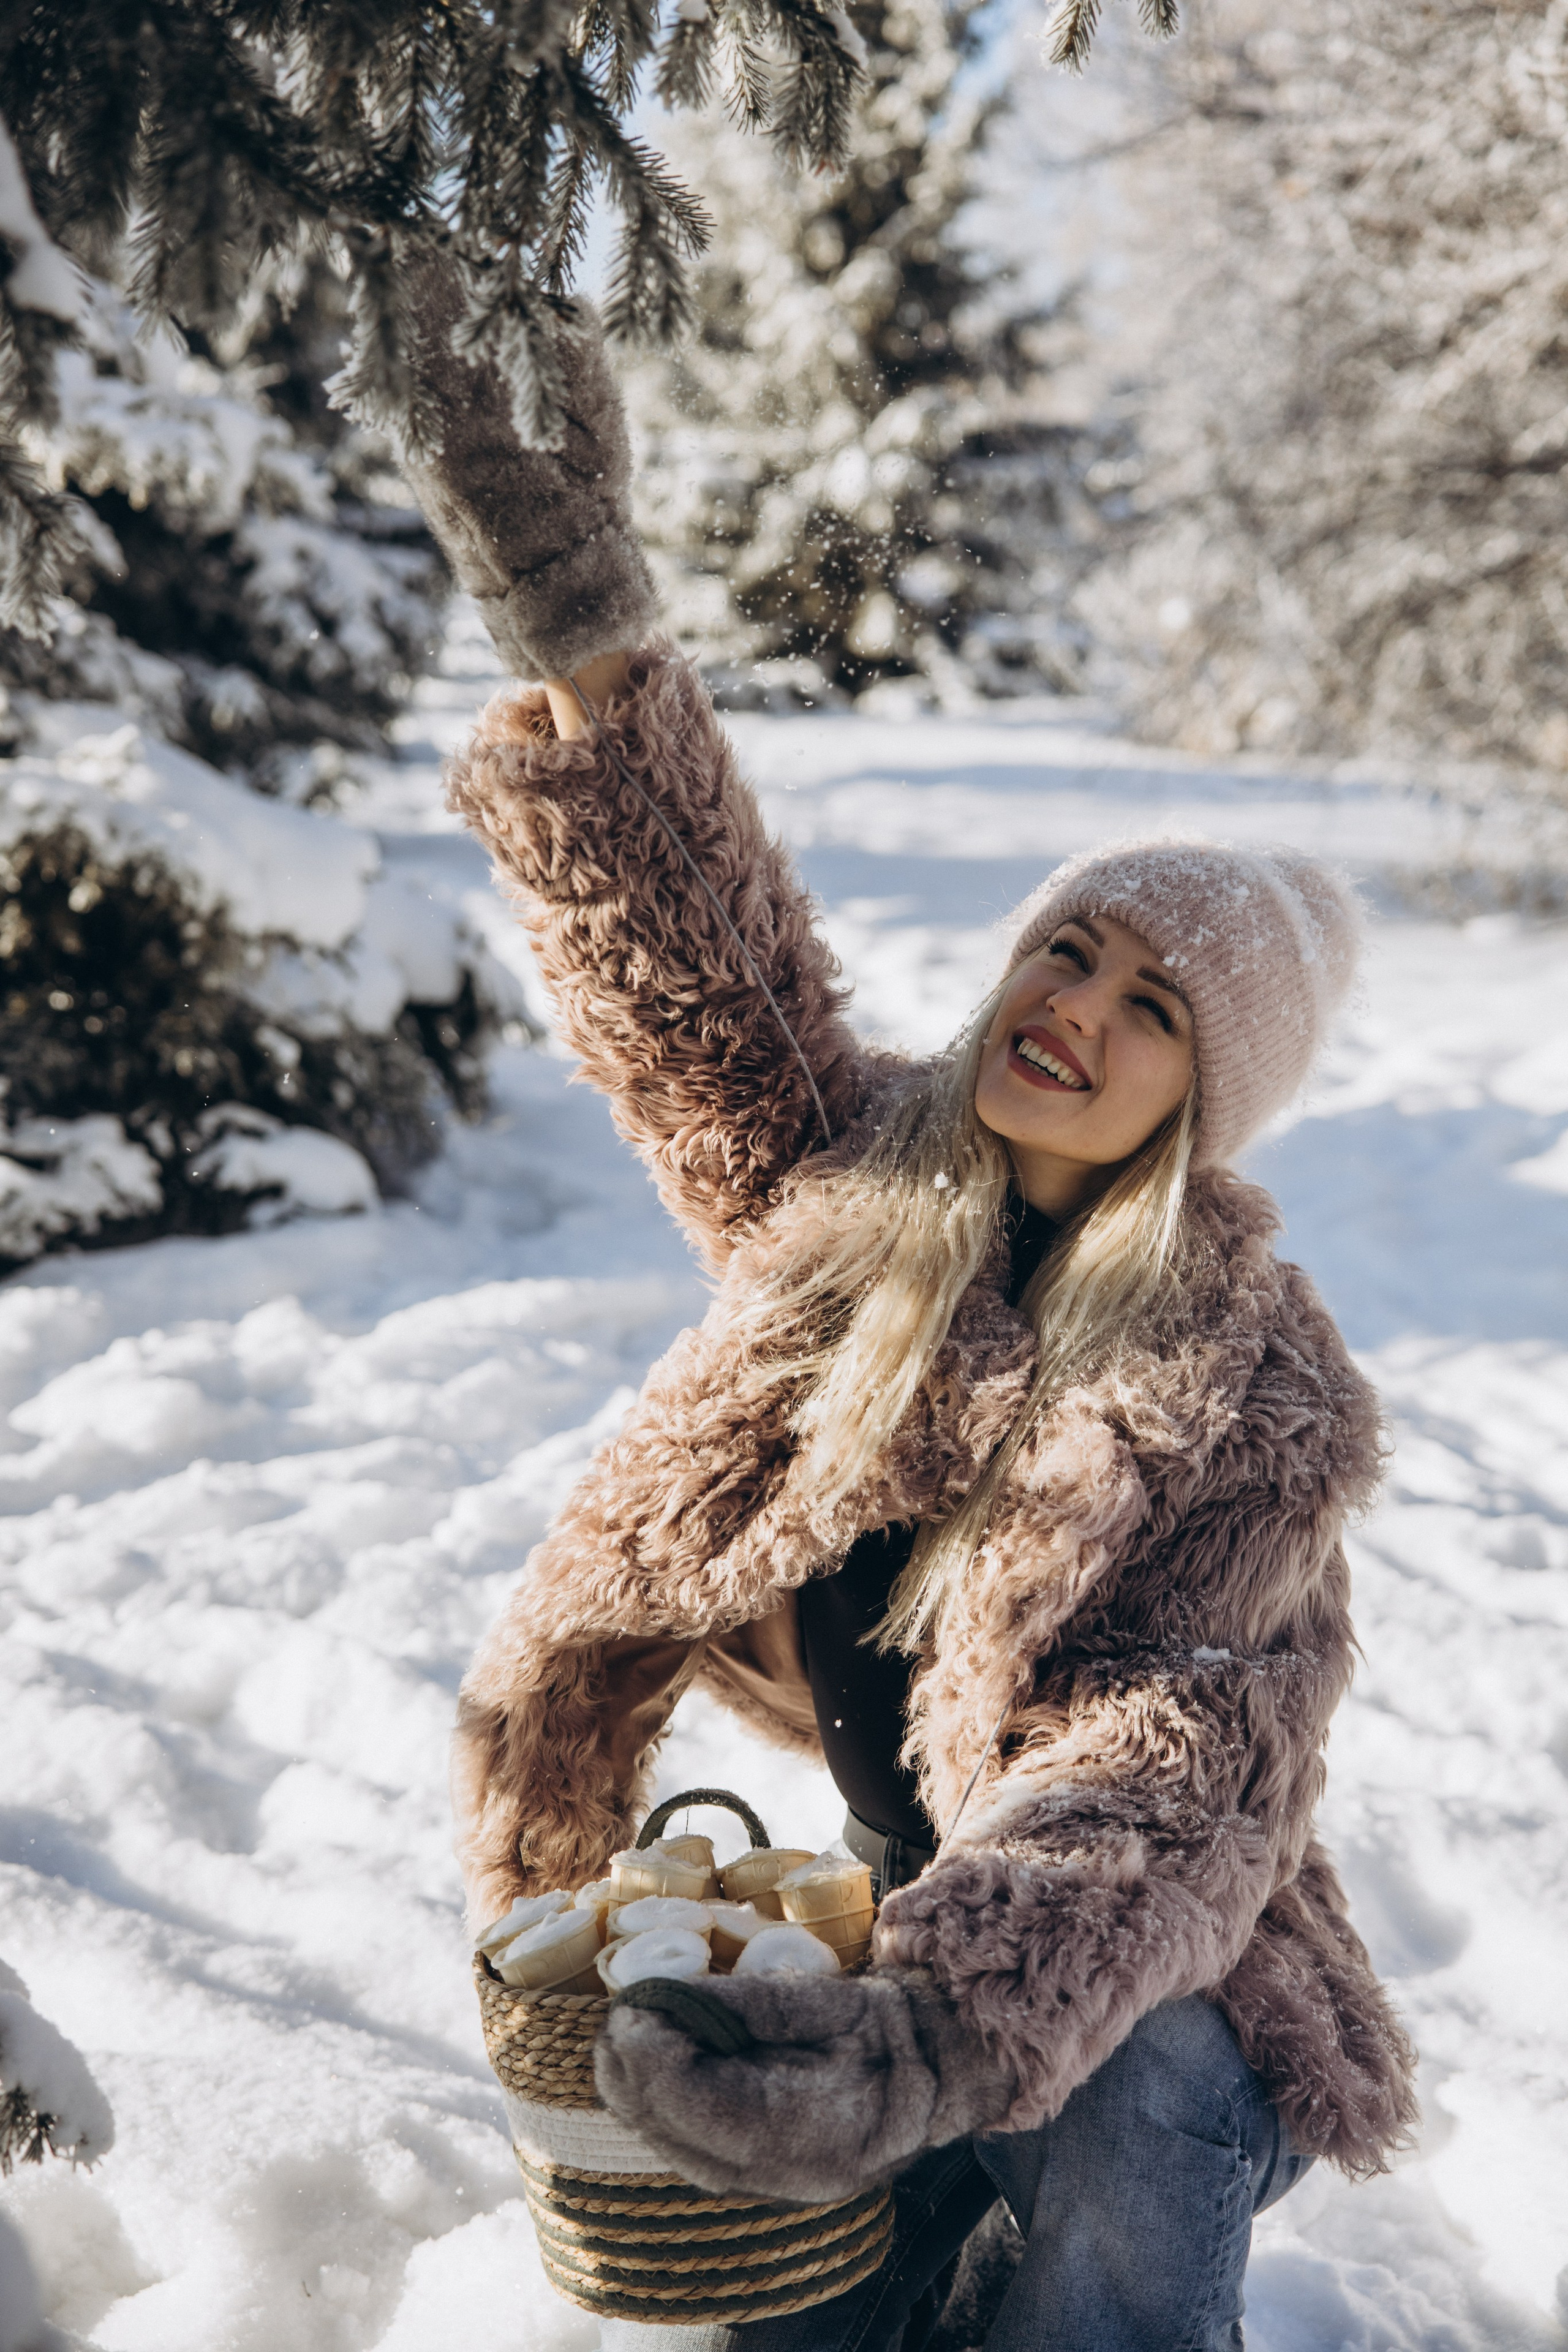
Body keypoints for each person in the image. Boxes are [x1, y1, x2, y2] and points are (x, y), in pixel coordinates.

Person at [396, 281, 1418, 2351]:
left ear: (1201, 1105)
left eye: (1154, 1011)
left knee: (1126, 2130)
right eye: (1074, 946)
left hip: (1137, 1976)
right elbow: (695, 975)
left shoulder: (1256, 1387)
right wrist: (584, 628)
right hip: (904, 1957)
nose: (1081, 1012)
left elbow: (1167, 1770)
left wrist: (925, 2044)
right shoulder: (851, 1178)